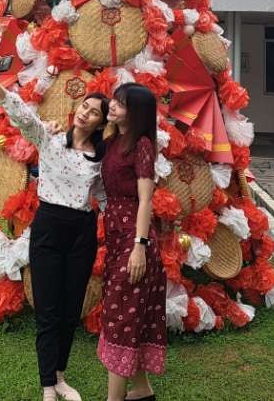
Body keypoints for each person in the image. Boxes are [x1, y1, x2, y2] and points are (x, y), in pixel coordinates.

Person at [0, 65, 109, 401]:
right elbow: (24, 118)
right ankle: (46, 386)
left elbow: (104, 197)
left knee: (71, 309)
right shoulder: (51, 139)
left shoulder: (98, 159)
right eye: (85, 106)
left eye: (94, 112)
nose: (86, 112)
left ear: (101, 122)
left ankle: (59, 377)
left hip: (81, 232)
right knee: (48, 310)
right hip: (48, 228)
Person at [98, 82, 166, 401]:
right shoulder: (113, 140)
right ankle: (141, 390)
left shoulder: (141, 145)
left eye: (121, 103)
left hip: (133, 237)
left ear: (136, 112)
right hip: (115, 234)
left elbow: (145, 200)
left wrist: (140, 246)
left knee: (119, 316)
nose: (112, 106)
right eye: (114, 99)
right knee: (127, 313)